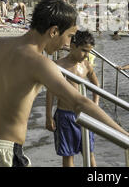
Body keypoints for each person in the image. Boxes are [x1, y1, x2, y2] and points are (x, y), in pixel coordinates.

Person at [0, 0, 129, 167]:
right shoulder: (39, 62)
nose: (67, 44)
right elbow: (80, 103)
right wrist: (128, 136)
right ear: (53, 31)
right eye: (69, 36)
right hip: (1, 153)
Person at [46, 31, 99, 167]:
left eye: (89, 52)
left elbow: (96, 86)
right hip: (65, 115)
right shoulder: (59, 65)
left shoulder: (86, 65)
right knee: (68, 154)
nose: (86, 55)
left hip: (84, 115)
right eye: (83, 50)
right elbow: (51, 92)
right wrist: (48, 117)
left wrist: (95, 106)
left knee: (89, 152)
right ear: (73, 46)